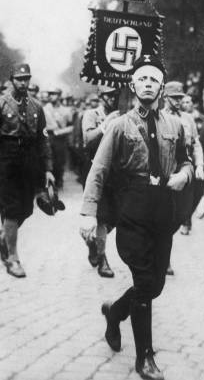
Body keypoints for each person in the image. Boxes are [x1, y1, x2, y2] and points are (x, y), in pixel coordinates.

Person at [80, 55, 192, 380]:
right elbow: (98, 170)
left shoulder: (175, 125)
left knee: (154, 285)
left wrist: (185, 174)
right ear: (133, 84)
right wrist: (88, 212)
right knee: (145, 282)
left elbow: (186, 159)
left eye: (153, 80)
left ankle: (114, 314)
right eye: (141, 79)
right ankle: (145, 358)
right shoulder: (118, 126)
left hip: (163, 212)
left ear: (160, 86)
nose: (147, 84)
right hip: (131, 210)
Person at [0, 63, 54, 278]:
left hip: (29, 159)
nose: (23, 83)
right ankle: (13, 258)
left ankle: (3, 237)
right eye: (19, 79)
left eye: (26, 78)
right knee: (11, 207)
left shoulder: (37, 107)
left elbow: (43, 140)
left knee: (26, 209)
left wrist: (48, 169)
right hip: (7, 157)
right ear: (12, 80)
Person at [80, 86, 121, 278]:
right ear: (101, 96)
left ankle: (92, 241)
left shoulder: (122, 115)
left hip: (117, 172)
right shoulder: (92, 114)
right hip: (96, 170)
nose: (112, 98)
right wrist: (106, 125)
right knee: (102, 217)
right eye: (108, 95)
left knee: (115, 216)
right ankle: (103, 258)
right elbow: (88, 139)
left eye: (115, 95)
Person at [162, 81, 204, 236]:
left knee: (189, 201)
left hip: (185, 165)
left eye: (180, 97)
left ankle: (184, 221)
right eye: (174, 98)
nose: (178, 101)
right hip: (166, 165)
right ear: (165, 97)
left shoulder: (188, 118)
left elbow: (196, 143)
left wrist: (199, 165)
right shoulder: (160, 117)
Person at [43, 88, 72, 189]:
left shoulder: (66, 110)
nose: (50, 96)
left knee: (60, 162)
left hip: (60, 140)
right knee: (49, 161)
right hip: (48, 138)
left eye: (53, 94)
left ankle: (59, 180)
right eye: (49, 94)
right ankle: (49, 183)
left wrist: (60, 131)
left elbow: (71, 126)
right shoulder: (44, 109)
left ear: (59, 95)